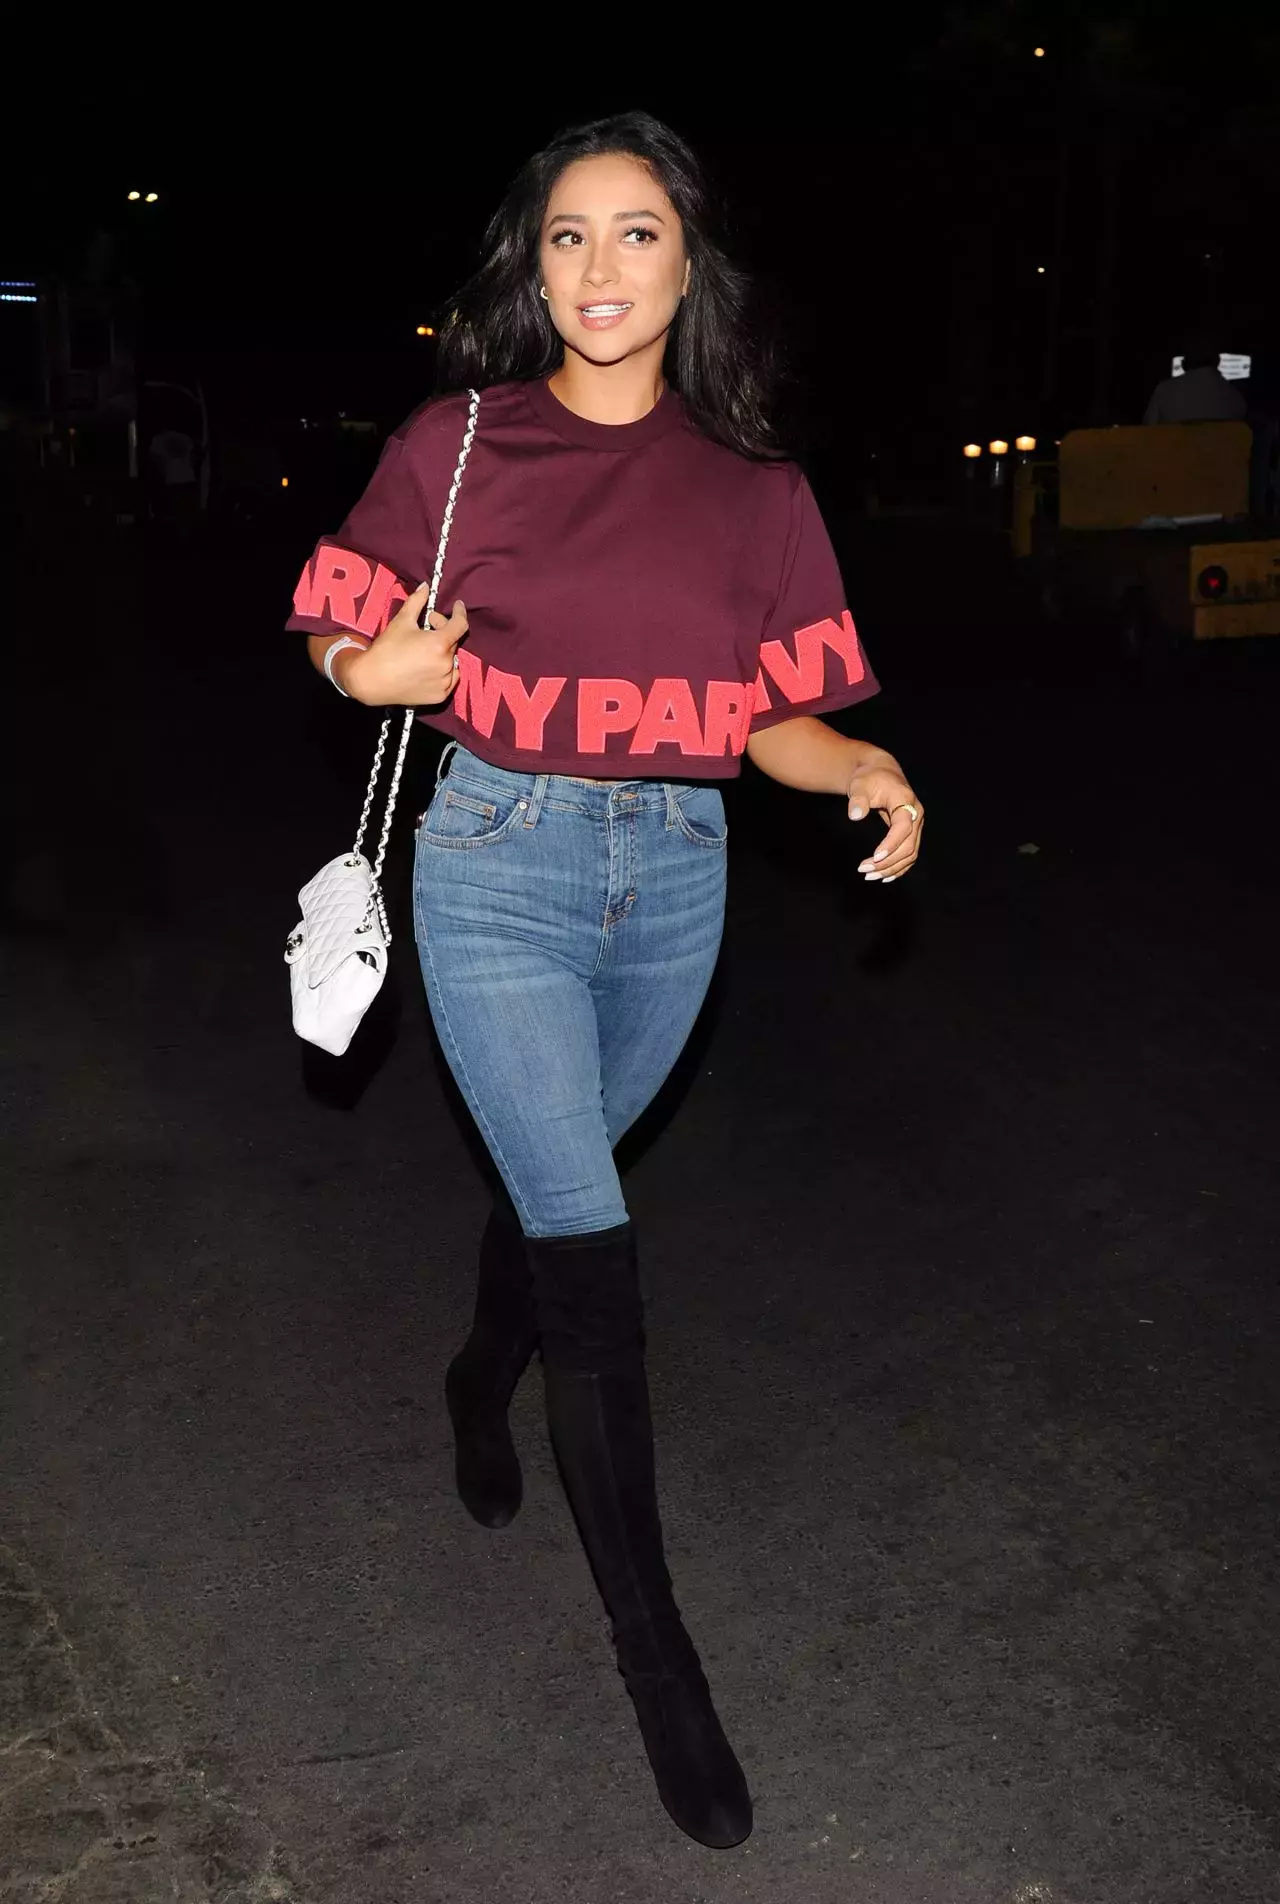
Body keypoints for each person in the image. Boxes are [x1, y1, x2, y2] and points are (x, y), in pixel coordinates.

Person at [286, 111, 923, 1850]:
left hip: (680, 883)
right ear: (531, 261)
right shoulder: (461, 440)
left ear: (690, 261)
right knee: (594, 1246)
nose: (599, 269)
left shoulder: (756, 487)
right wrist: (373, 659)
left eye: (637, 234)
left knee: (566, 1187)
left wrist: (862, 769)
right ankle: (662, 1663)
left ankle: (477, 1366)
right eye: (567, 237)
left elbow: (769, 714)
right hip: (496, 862)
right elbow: (346, 630)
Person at [1144, 345, 1248, 425]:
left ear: (1184, 364)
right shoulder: (1236, 396)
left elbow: (1149, 429)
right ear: (1218, 361)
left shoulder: (1164, 390)